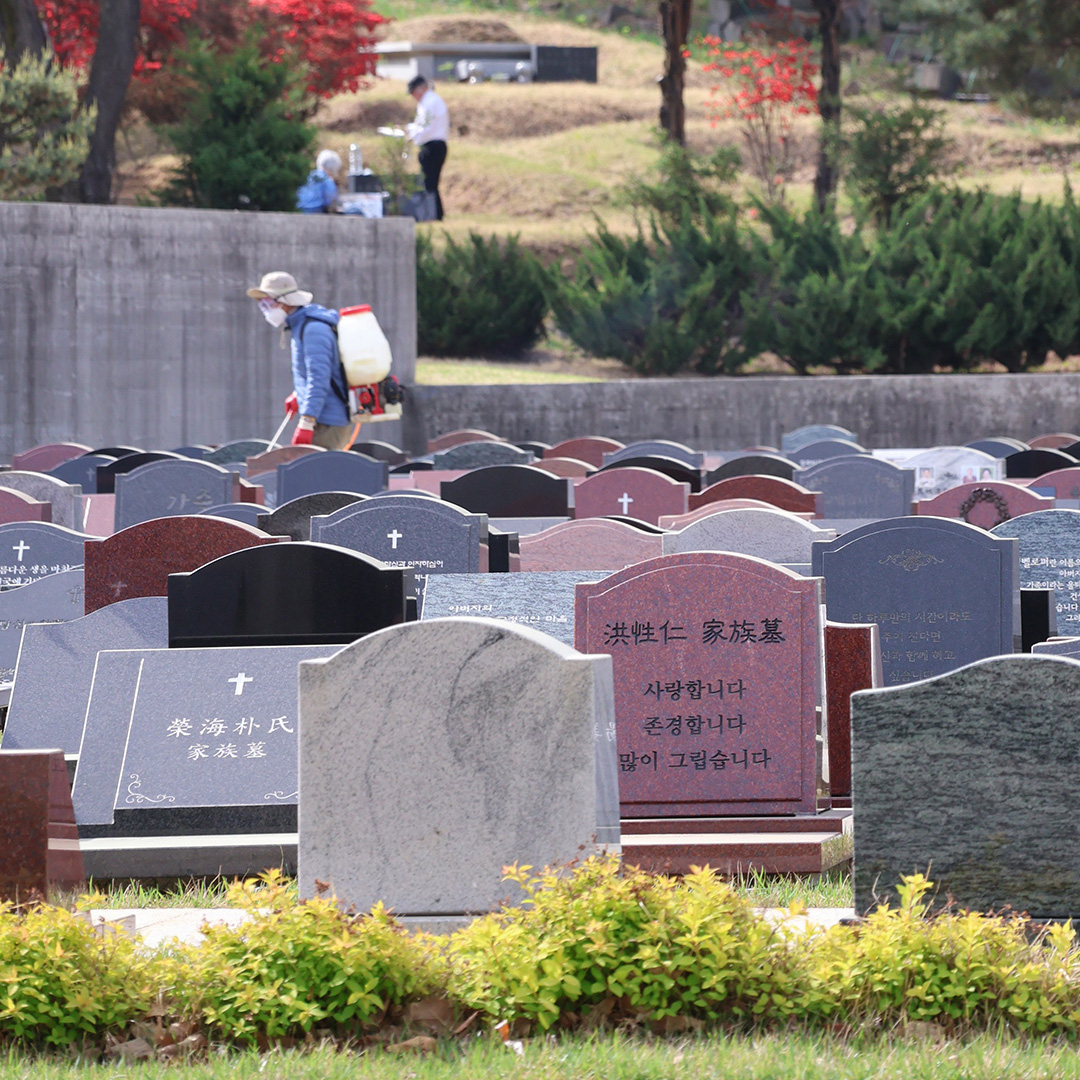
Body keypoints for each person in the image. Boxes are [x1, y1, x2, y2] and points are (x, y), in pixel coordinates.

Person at [247, 271, 354, 449]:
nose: (265, 309)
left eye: (269, 303)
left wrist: (307, 421)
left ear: (286, 302)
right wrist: (298, 394)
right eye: (262, 304)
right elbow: (314, 372)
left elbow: (319, 378)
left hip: (327, 423)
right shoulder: (300, 326)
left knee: (313, 467)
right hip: (321, 418)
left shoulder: (313, 330)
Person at [406, 75, 448, 221]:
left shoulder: (429, 102)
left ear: (421, 89)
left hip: (432, 145)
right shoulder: (430, 101)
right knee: (431, 182)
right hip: (435, 144)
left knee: (429, 182)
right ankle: (436, 213)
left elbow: (425, 127)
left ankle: (433, 214)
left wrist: (411, 133)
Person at [296, 149, 341, 214]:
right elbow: (330, 202)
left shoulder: (309, 176)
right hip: (317, 213)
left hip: (300, 211)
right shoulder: (328, 181)